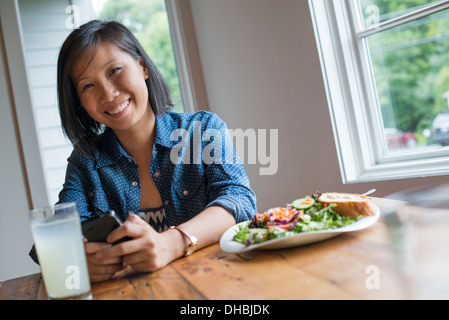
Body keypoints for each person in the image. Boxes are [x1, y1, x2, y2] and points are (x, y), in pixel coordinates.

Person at [30, 20, 256, 282]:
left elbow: (239, 200)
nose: (108, 93)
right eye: (87, 85)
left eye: (114, 70)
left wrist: (171, 243)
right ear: (79, 102)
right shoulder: (85, 161)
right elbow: (49, 243)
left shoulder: (204, 129)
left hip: (220, 283)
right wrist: (74, 261)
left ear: (143, 67)